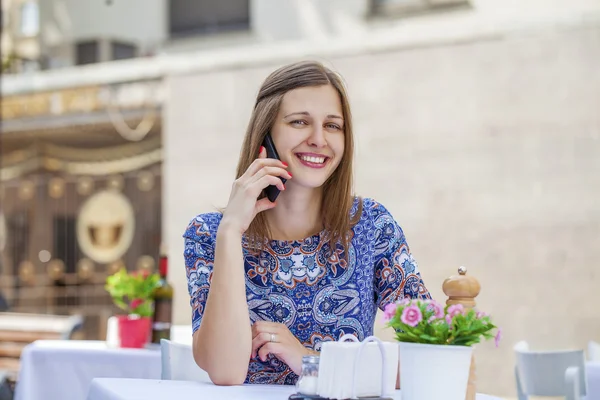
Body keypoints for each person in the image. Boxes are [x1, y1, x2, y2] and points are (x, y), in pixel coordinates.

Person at [183, 60, 431, 386]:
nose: (318, 139)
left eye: (333, 126)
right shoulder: (207, 234)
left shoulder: (372, 226)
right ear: (265, 133)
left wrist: (313, 362)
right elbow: (225, 371)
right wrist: (230, 231)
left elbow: (432, 354)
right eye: (299, 122)